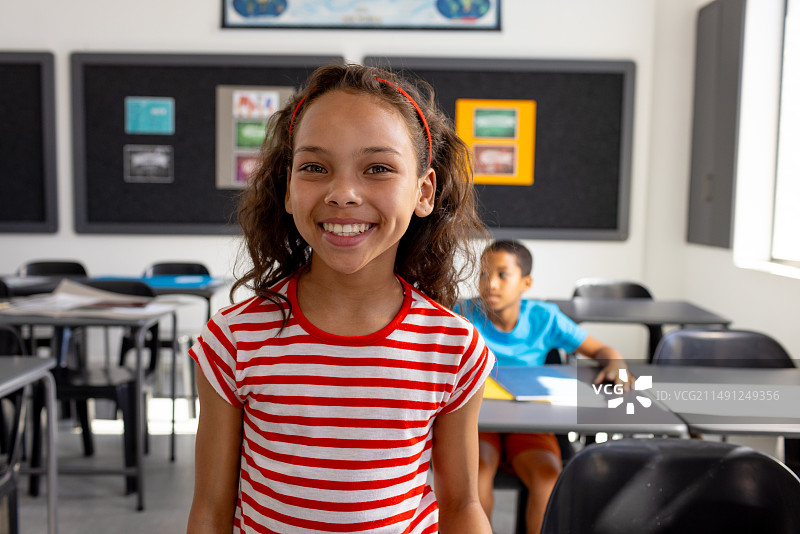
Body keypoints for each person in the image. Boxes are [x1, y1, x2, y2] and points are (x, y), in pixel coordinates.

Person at [186, 64, 495, 534]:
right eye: (314, 167)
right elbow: (210, 509)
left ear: (423, 191)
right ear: (288, 189)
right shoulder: (232, 341)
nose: (343, 193)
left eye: (377, 168)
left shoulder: (452, 348)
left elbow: (461, 506)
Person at [454, 240, 630, 534]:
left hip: (530, 422)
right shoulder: (464, 313)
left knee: (548, 476)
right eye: (483, 274)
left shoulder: (544, 317)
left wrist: (617, 364)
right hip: (480, 421)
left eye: (502, 275)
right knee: (477, 475)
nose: (490, 284)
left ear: (526, 282)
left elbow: (602, 350)